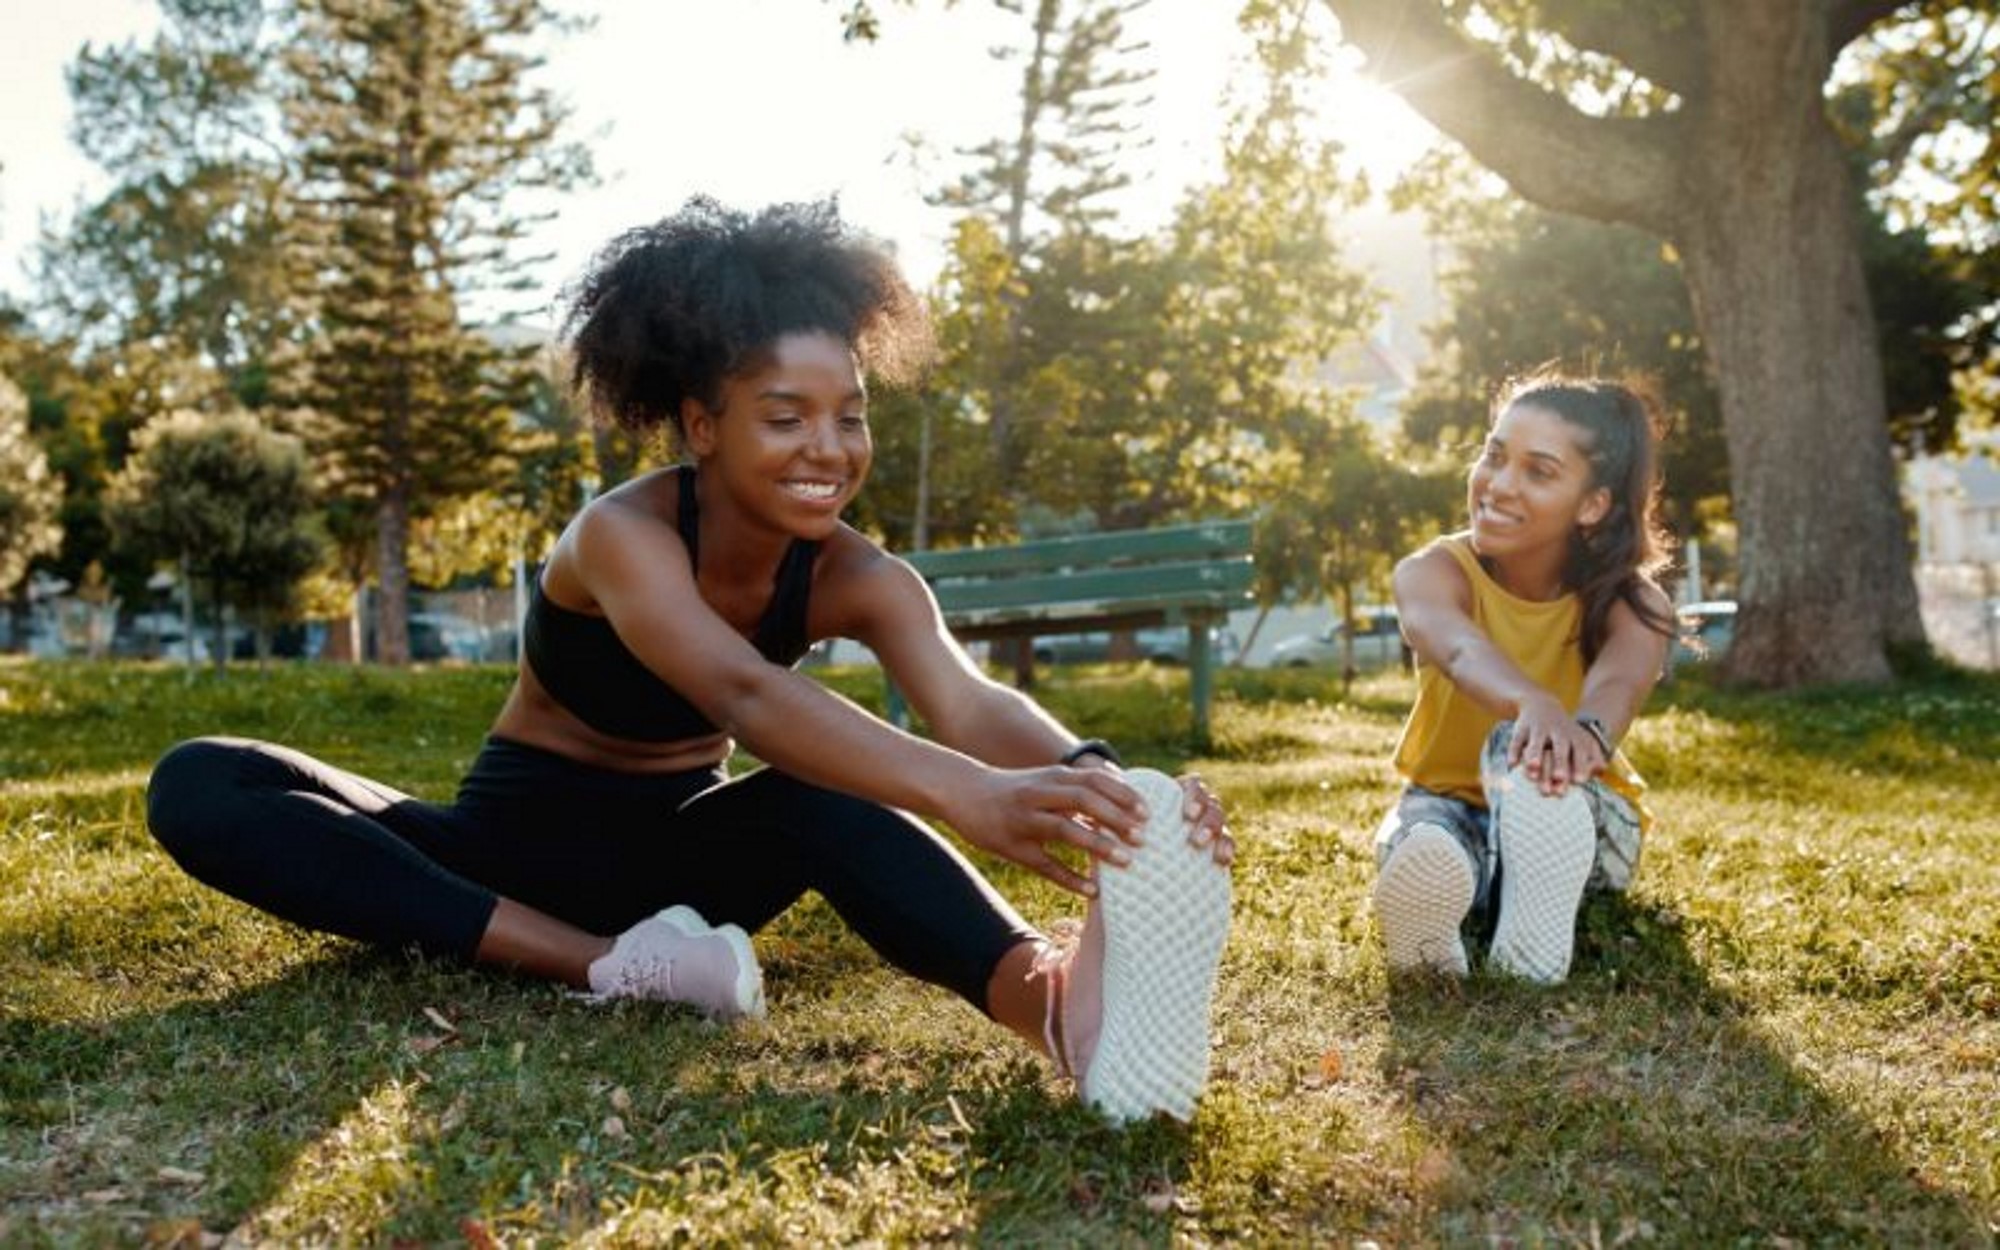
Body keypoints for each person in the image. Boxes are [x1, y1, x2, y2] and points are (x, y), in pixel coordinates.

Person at [146, 197, 1233, 1123]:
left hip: (684, 870)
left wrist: (1109, 788)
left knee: (827, 795)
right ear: (700, 424)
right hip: (497, 856)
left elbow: (964, 694)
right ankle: (607, 967)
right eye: (784, 415)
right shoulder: (622, 535)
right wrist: (968, 793)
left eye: (848, 416)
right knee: (202, 778)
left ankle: (1052, 1003)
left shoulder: (860, 574)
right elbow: (743, 691)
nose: (828, 447)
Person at [1373, 370, 1675, 985]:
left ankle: (1530, 896)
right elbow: (1456, 649)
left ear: (1593, 505)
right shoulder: (1433, 572)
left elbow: (1614, 693)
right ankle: (1450, 900)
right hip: (1452, 799)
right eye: (1495, 455)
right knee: (1424, 839)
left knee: (1523, 752)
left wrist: (1571, 734)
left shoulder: (1634, 605)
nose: (1499, 484)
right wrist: (1529, 699)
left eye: (1539, 472)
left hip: (1573, 799)